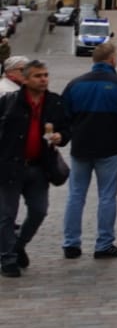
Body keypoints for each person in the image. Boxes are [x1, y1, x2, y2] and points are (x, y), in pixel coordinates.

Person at [59, 41, 117, 259]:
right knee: (107, 196)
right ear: (112, 60)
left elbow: (63, 116)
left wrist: (73, 135)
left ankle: (71, 243)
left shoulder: (75, 84)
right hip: (109, 147)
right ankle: (104, 243)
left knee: (75, 195)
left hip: (81, 146)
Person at [0, 60, 68, 276]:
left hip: (39, 166)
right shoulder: (10, 101)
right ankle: (8, 259)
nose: (43, 79)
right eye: (38, 76)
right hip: (11, 166)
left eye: (46, 75)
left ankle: (19, 246)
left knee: (39, 210)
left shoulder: (55, 102)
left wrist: (61, 136)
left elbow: (67, 127)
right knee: (6, 215)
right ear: (25, 79)